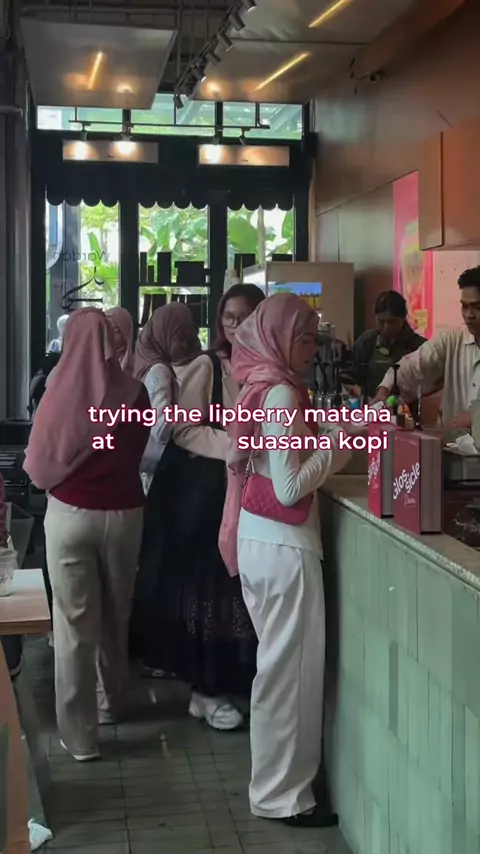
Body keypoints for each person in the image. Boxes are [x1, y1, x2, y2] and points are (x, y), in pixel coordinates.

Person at [226, 293, 351, 826]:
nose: (313, 348)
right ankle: (282, 796)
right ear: (279, 337)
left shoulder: (259, 384)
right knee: (288, 677)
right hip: (284, 546)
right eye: (304, 337)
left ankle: (277, 787)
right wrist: (341, 443)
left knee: (278, 673)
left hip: (260, 540)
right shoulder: (280, 391)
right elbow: (290, 485)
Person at [23, 308, 150, 762]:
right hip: (124, 514)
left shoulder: (57, 390)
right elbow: (133, 449)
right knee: (116, 612)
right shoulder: (135, 392)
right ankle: (111, 702)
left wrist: (75, 457)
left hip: (70, 514)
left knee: (74, 626)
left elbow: (39, 464)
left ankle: (80, 737)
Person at [139, 284, 265, 730]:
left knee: (237, 595)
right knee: (207, 593)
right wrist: (232, 446)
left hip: (247, 495)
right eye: (229, 318)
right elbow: (181, 428)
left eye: (245, 316)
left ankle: (230, 682)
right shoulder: (207, 366)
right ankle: (203, 690)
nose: (236, 325)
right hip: (206, 497)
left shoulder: (267, 368)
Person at [129, 302, 203, 671]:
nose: (187, 342)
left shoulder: (142, 361)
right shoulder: (158, 371)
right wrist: (195, 417)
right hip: (158, 474)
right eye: (180, 335)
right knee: (159, 564)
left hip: (143, 472)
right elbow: (160, 427)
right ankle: (154, 649)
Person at [373, 267, 480, 427]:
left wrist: (474, 418)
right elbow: (412, 367)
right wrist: (385, 390)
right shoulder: (451, 340)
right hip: (452, 440)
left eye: (477, 307)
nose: (469, 315)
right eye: (464, 306)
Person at [348, 290, 425, 399]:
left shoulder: (419, 346)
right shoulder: (367, 342)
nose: (386, 327)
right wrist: (366, 399)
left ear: (403, 318)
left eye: (392, 321)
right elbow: (350, 379)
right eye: (381, 321)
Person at [105, 306, 134, 374]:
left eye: (115, 331)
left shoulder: (137, 366)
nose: (109, 335)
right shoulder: (98, 361)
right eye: (106, 330)